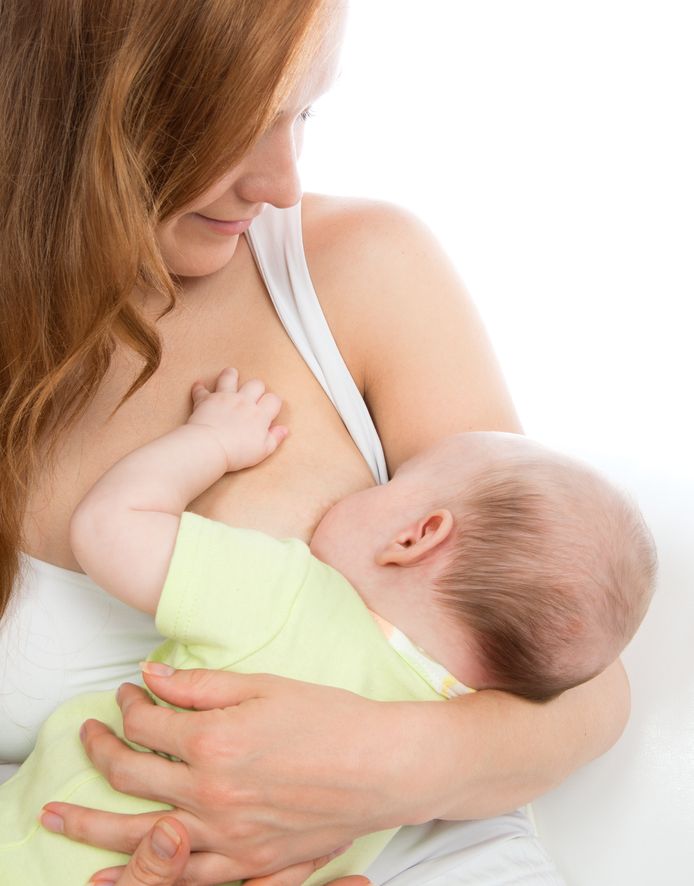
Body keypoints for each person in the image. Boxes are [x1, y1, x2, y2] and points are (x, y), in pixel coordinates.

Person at [0, 1, 632, 884]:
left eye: (301, 113)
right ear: (73, 100)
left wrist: (367, 771)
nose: (282, 182)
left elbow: (585, 681)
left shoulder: (364, 270)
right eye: (231, 122)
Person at [0, 369, 655, 885]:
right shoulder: (453, 755)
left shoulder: (292, 595)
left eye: (396, 480)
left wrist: (213, 441)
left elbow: (109, 527)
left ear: (415, 536)